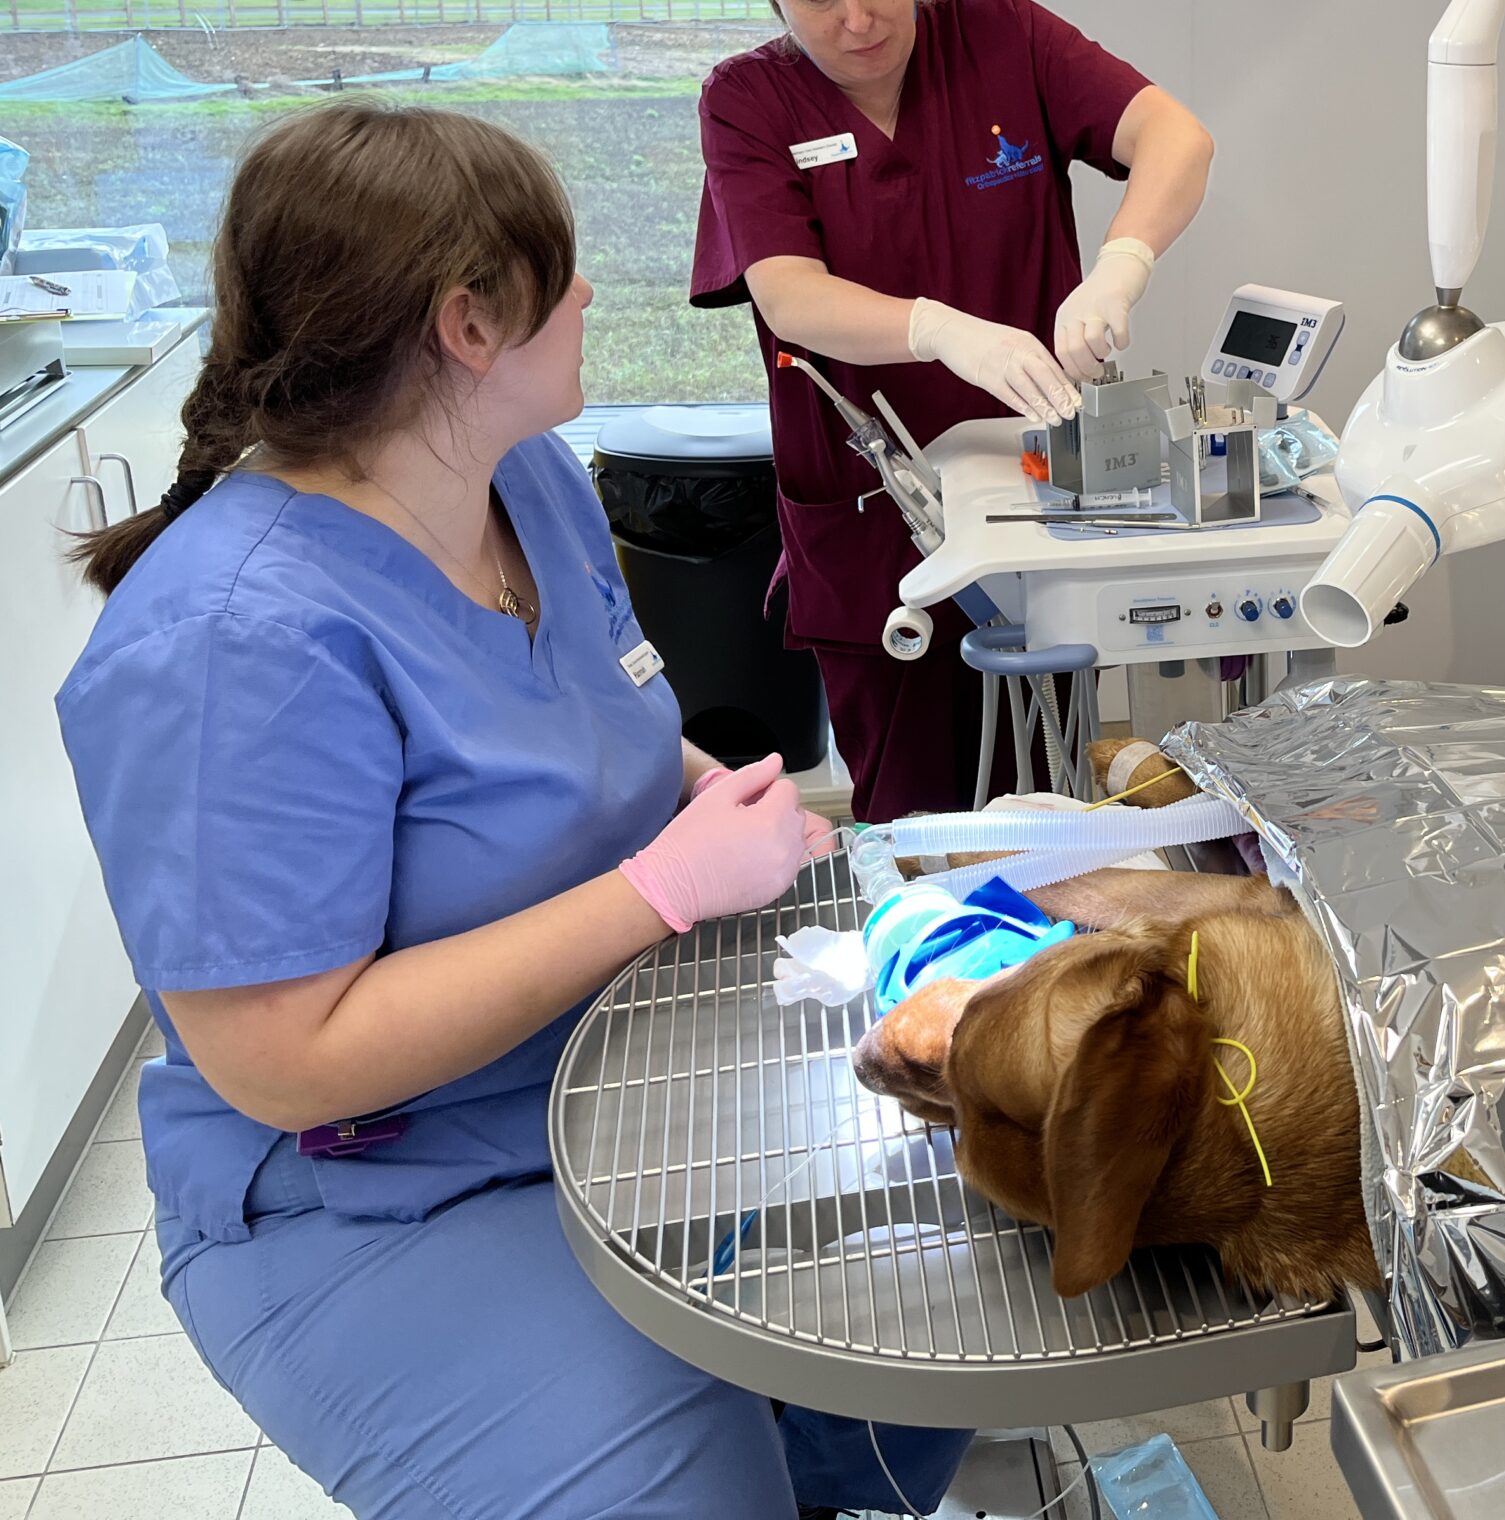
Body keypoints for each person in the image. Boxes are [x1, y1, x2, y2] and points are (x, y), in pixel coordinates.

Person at [56, 100, 974, 1520]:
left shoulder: (524, 482)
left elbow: (592, 707)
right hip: (383, 1184)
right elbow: (285, 1063)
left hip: (626, 1068)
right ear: (469, 326)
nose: (592, 291)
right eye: (563, 268)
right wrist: (660, 889)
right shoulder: (234, 642)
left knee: (932, 1307)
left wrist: (721, 803)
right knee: (688, 1492)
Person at [692, 0, 1214, 818]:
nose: (858, 19)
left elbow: (1176, 139)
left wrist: (1122, 264)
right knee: (921, 826)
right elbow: (790, 295)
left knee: (1055, 811)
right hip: (874, 527)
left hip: (1036, 513)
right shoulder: (748, 103)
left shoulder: (1001, 36)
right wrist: (942, 330)